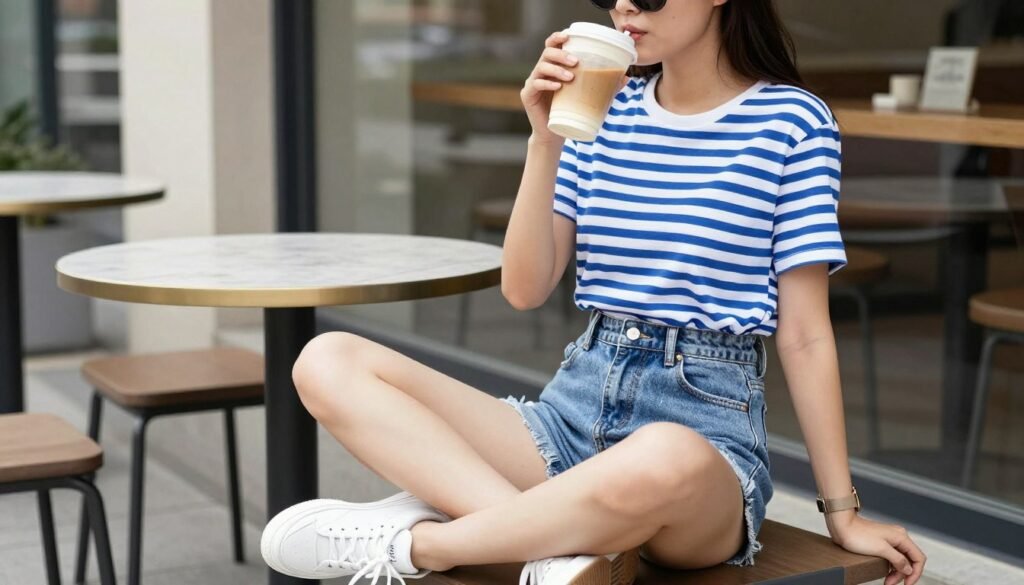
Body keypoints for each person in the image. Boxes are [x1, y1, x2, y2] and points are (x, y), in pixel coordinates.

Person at [260, 1, 928, 584]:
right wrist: (543, 140)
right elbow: (525, 288)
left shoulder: (793, 122)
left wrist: (844, 512)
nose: (625, 11)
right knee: (327, 358)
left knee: (663, 453)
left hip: (705, 439)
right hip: (574, 409)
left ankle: (422, 543)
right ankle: (553, 552)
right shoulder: (601, 108)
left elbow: (806, 333)